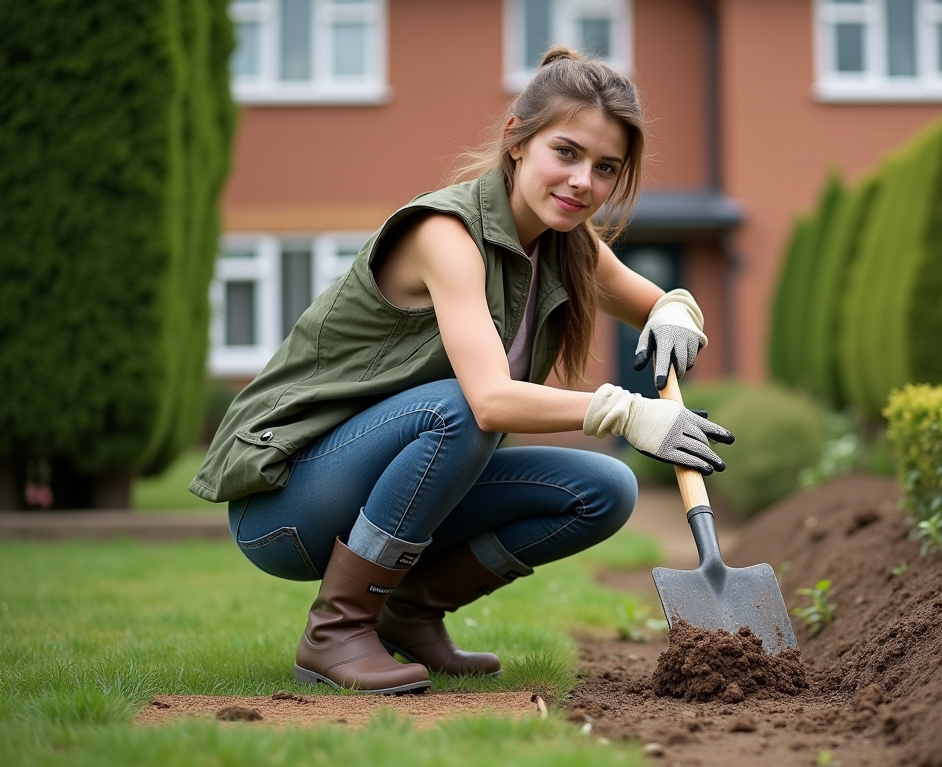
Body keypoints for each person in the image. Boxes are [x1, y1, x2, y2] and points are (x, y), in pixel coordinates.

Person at [190, 46, 734, 695]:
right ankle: (336, 630)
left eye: (605, 167)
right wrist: (628, 412)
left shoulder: (568, 246)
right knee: (456, 409)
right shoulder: (445, 233)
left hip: (390, 486)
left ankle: (410, 614)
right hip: (286, 503)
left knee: (605, 489)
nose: (583, 181)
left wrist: (677, 313)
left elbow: (658, 302)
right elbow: (488, 402)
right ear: (516, 141)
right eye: (566, 152)